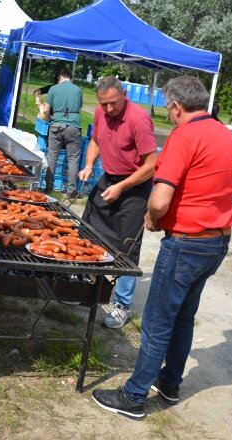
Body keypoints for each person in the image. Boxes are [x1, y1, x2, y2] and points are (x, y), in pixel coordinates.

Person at [92, 75, 232, 419]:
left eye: (168, 108)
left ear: (175, 106)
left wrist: (153, 219)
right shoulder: (223, 133)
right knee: (183, 317)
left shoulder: (184, 135)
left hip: (186, 243)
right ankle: (170, 383)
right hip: (217, 242)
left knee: (157, 321)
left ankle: (134, 397)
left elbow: (159, 198)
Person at [79, 76, 157, 328]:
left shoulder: (138, 120)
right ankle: (87, 284)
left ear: (124, 94)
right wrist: (89, 165)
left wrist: (122, 186)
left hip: (134, 187)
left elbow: (151, 164)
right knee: (88, 228)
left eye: (113, 102)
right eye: (104, 104)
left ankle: (122, 305)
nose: (109, 109)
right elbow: (95, 141)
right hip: (109, 178)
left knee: (126, 247)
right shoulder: (102, 113)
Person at [41, 67, 83, 199]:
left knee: (52, 157)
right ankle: (71, 190)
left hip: (56, 126)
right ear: (70, 78)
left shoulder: (53, 88)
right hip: (73, 127)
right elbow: (79, 108)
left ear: (60, 77)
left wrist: (49, 121)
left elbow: (47, 110)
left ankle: (49, 187)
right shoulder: (78, 90)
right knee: (73, 159)